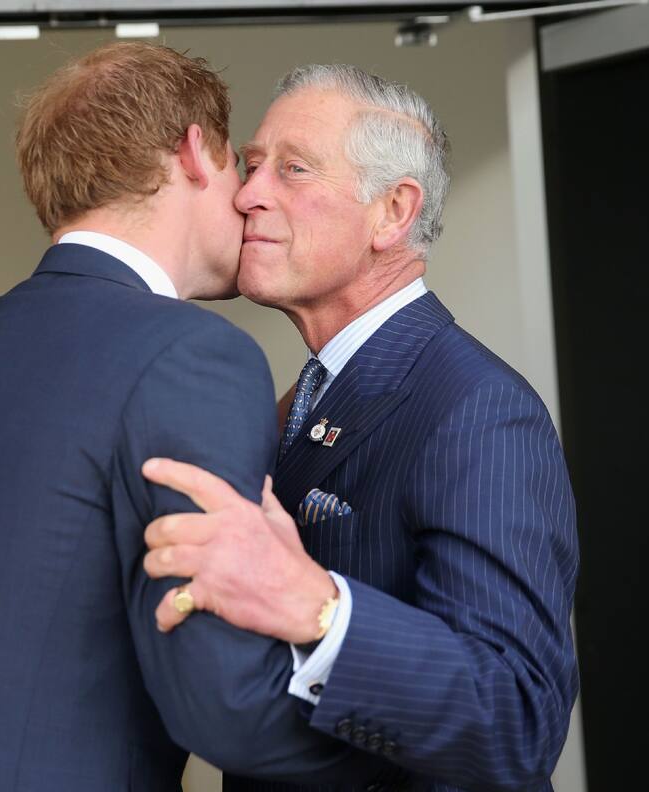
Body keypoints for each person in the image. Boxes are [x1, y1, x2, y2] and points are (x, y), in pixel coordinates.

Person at [0, 43, 385, 792]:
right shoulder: (193, 356)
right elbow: (224, 702)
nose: (250, 198)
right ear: (194, 152)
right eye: (239, 165)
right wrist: (410, 739)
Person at [141, 64, 580, 791]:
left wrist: (318, 609)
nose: (247, 195)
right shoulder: (299, 400)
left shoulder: (479, 411)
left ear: (393, 212)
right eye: (251, 165)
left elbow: (517, 719)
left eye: (293, 169)